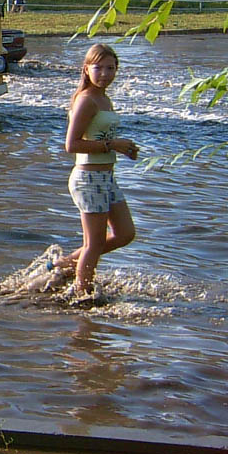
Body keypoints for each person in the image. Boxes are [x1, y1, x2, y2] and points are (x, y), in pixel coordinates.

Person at [59, 44, 138, 297]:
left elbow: (99, 136)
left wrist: (123, 149)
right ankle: (83, 294)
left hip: (106, 176)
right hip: (88, 178)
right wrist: (112, 144)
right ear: (86, 69)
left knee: (125, 233)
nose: (105, 73)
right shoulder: (86, 100)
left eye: (111, 68)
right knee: (93, 243)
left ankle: (64, 265)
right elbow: (71, 145)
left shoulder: (104, 98)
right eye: (99, 68)